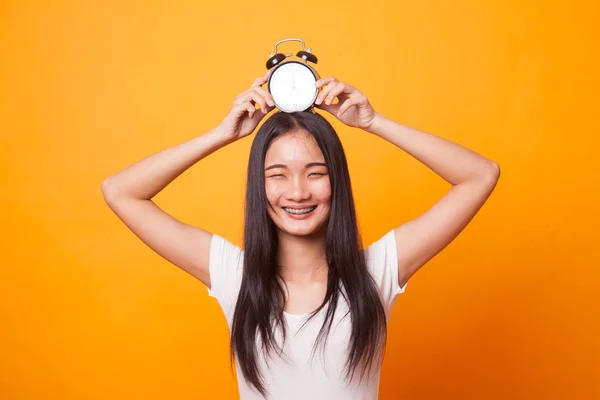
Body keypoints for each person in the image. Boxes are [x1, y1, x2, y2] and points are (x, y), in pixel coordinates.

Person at [101, 70, 500, 399]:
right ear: (259, 186)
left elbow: (479, 176)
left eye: (315, 173)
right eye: (278, 175)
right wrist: (222, 135)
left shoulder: (375, 271)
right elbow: (121, 192)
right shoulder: (233, 275)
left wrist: (372, 122)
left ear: (337, 181)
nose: (297, 192)